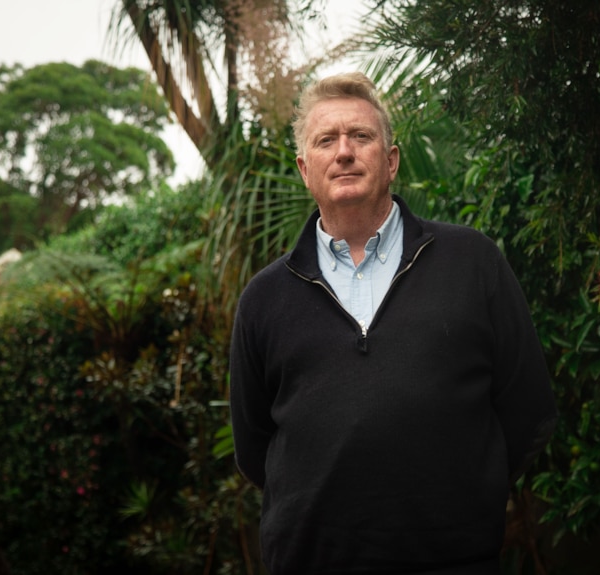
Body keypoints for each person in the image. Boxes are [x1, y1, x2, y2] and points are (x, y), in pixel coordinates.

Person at [229, 72, 557, 575]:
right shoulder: (264, 299)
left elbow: (528, 407)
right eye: (326, 140)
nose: (344, 152)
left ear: (391, 160)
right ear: (304, 168)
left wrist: (466, 493)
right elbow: (254, 448)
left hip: (454, 560)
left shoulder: (472, 262)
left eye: (360, 136)